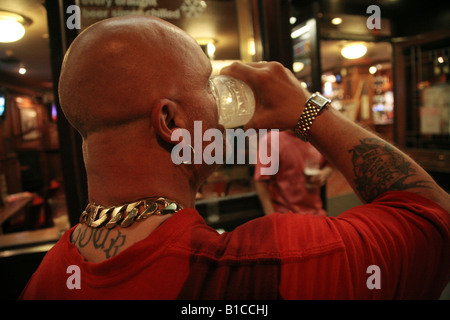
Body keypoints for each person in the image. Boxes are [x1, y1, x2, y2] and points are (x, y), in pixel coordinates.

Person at [21, 16, 449, 300]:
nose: (219, 100)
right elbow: (434, 219)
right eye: (207, 83)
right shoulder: (270, 265)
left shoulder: (49, 277)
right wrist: (310, 111)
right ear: (170, 120)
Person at [254, 129, 333, 216]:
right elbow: (261, 181)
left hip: (316, 213)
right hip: (285, 215)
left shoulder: (315, 137)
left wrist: (324, 173)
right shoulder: (272, 139)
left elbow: (330, 163)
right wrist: (271, 215)